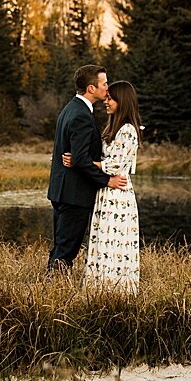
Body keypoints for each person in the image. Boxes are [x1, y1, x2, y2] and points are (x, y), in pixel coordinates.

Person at [46, 65, 127, 274]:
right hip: (74, 193)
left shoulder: (70, 108)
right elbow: (81, 159)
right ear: (91, 88)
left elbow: (76, 155)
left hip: (62, 190)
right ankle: (54, 292)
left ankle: (51, 287)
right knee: (66, 249)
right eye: (104, 83)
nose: (107, 88)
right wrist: (107, 180)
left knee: (61, 245)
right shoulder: (81, 115)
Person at [77, 80, 142, 293]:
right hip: (106, 192)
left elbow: (114, 164)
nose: (107, 101)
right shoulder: (113, 127)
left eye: (111, 98)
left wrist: (82, 161)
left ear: (122, 101)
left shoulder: (128, 130)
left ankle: (117, 291)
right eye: (107, 96)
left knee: (115, 242)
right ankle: (97, 290)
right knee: (103, 240)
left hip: (118, 194)